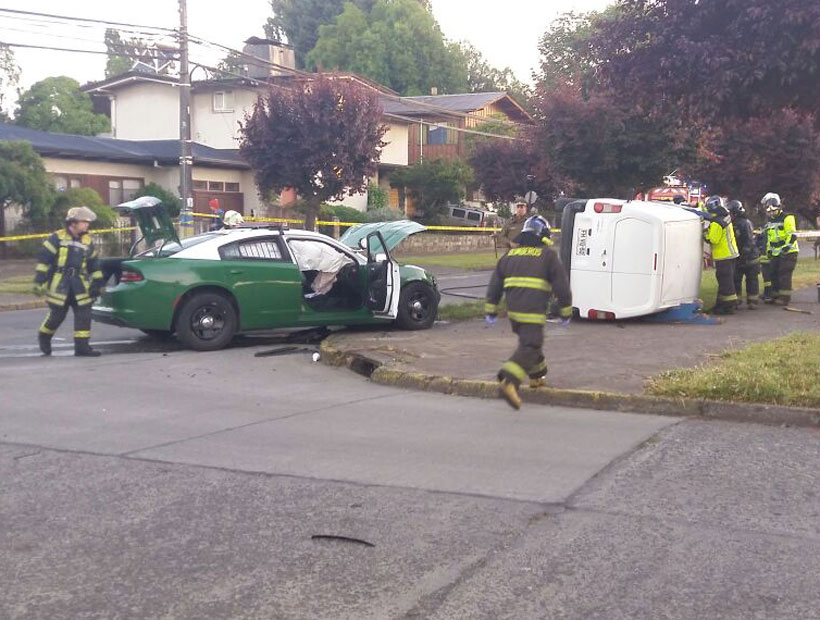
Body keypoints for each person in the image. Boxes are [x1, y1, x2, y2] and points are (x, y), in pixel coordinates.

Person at [485, 215, 573, 410]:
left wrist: (491, 309)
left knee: (530, 343)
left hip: (514, 313)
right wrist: (565, 311)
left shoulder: (509, 256)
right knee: (531, 345)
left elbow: (495, 285)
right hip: (533, 311)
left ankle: (537, 377)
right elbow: (562, 286)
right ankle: (508, 380)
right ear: (543, 235)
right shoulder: (548, 256)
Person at [33, 206, 105, 357]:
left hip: (80, 284)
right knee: (57, 315)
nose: (87, 225)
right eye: (84, 222)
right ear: (73, 222)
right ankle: (44, 337)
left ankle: (82, 347)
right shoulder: (57, 237)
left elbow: (94, 264)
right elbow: (44, 259)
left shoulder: (87, 240)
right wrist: (39, 280)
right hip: (60, 284)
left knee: (84, 314)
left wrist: (97, 283)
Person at [703, 196, 739, 315]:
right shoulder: (725, 216)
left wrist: (705, 234)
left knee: (725, 281)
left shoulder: (716, 222)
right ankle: (721, 305)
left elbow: (714, 239)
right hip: (731, 254)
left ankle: (729, 306)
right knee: (726, 280)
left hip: (723, 256)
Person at [762, 192, 799, 305]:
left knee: (784, 274)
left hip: (789, 252)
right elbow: (770, 238)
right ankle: (775, 295)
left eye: (773, 211)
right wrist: (768, 250)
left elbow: (792, 235)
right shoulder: (769, 221)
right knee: (773, 273)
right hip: (775, 253)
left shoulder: (788, 218)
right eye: (769, 212)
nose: (771, 213)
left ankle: (784, 298)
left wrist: (786, 249)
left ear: (778, 207)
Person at [727, 200, 760, 308]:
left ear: (736, 213)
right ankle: (737, 300)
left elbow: (748, 242)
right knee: (736, 279)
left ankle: (753, 301)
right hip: (739, 257)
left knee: (752, 280)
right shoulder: (732, 224)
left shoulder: (745, 223)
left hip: (750, 258)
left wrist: (743, 257)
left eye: (731, 213)